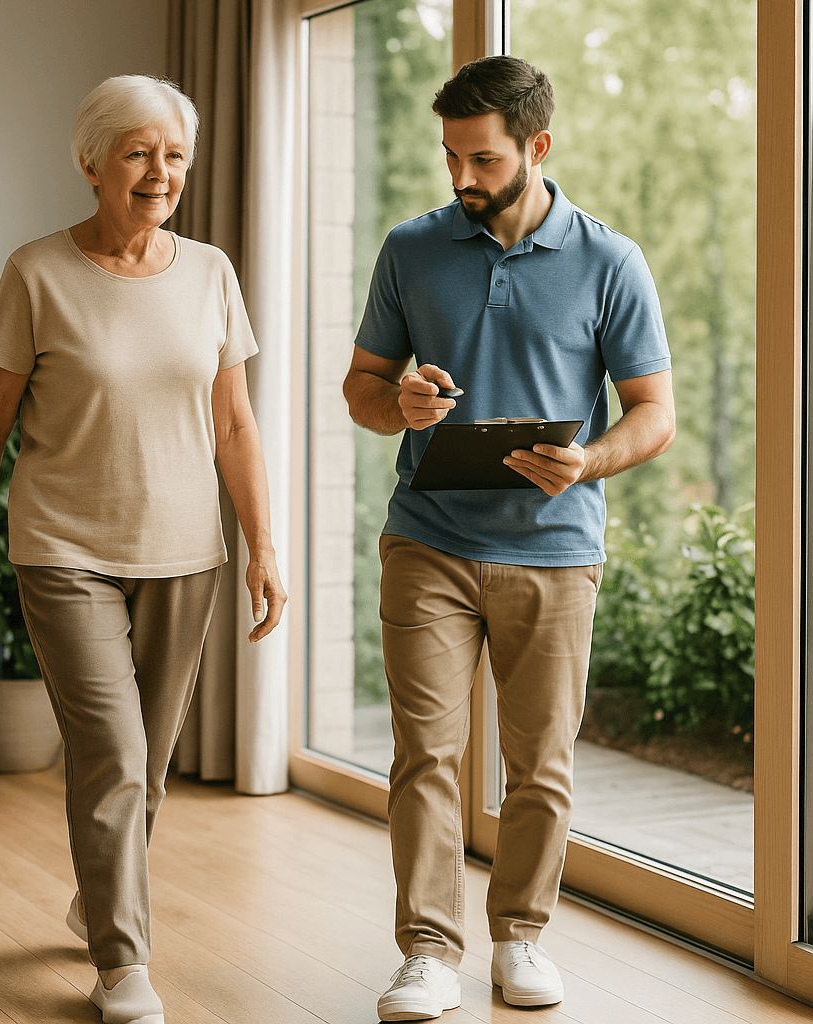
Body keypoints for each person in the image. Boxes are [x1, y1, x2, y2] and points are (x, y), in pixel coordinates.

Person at [0, 75, 286, 1024]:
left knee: (154, 760)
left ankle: (101, 891)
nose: (159, 173)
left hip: (186, 550)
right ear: (91, 161)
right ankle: (122, 961)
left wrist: (263, 545)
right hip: (64, 550)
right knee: (112, 752)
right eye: (138, 153)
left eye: (174, 154)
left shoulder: (212, 272)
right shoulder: (37, 272)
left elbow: (236, 428)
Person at [342, 56, 675, 1019]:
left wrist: (592, 460)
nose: (461, 179)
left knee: (541, 764)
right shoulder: (411, 249)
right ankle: (428, 953)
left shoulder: (610, 261)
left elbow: (653, 412)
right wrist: (397, 404)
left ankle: (520, 938)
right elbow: (363, 388)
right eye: (450, 156)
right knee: (426, 756)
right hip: (428, 541)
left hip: (556, 548)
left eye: (482, 159)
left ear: (536, 148)